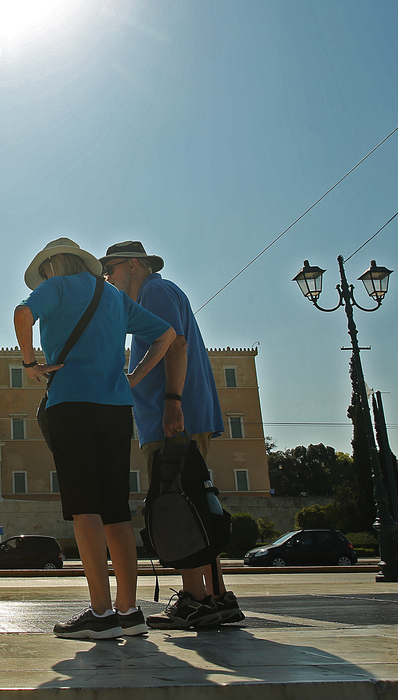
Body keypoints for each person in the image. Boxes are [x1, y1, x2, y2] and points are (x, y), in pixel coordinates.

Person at [14, 238, 175, 640]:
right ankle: (130, 611)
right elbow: (167, 334)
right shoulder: (112, 295)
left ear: (52, 265)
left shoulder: (55, 287)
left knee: (85, 508)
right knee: (117, 510)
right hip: (117, 408)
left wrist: (30, 364)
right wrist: (134, 377)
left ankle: (100, 613)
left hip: (71, 403)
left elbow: (22, 313)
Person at [100, 240, 244, 629]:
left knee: (177, 506)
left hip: (173, 417)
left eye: (110, 269)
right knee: (195, 502)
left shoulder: (153, 290)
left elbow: (175, 345)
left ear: (133, 265)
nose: (108, 278)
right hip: (181, 414)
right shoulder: (160, 291)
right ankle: (216, 596)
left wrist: (170, 401)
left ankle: (194, 600)